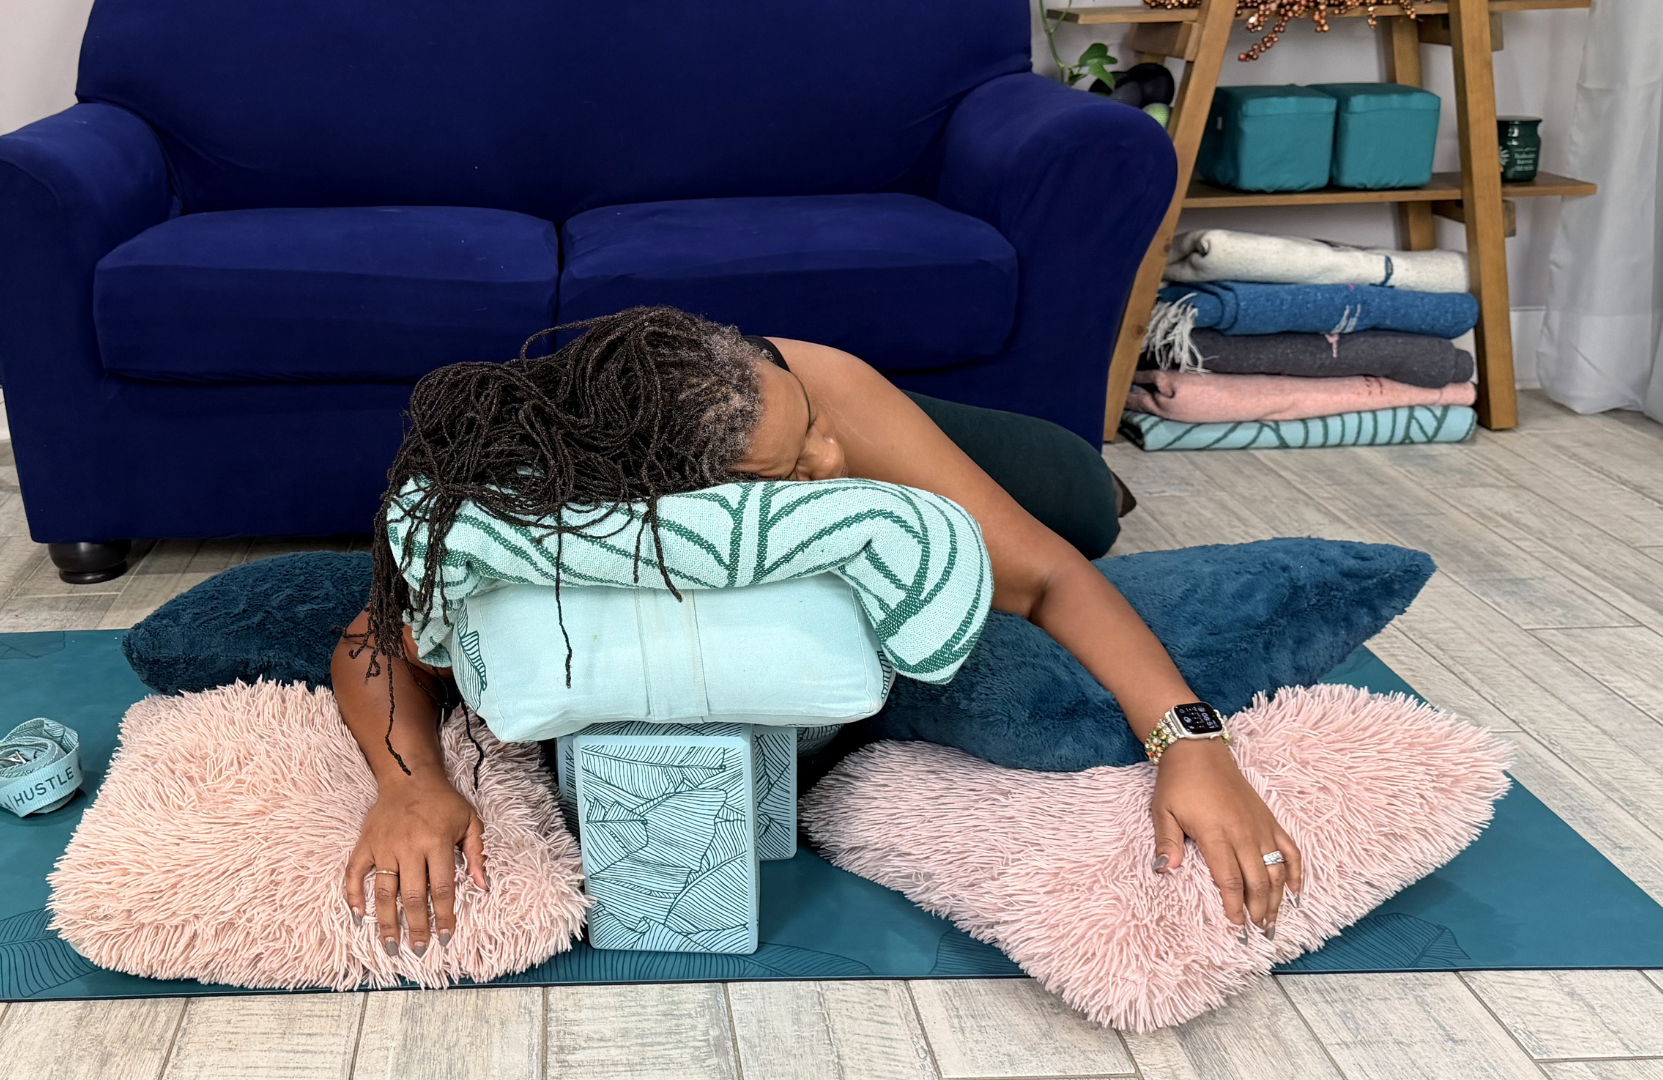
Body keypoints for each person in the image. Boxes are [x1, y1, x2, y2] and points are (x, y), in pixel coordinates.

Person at [332, 305, 1302, 960]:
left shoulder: (827, 416)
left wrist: (1192, 743)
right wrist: (410, 785)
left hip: (903, 420)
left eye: (806, 436)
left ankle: (1079, 473)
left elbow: (1049, 580)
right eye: (794, 465)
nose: (831, 462)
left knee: (1077, 501)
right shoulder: (550, 508)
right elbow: (373, 641)